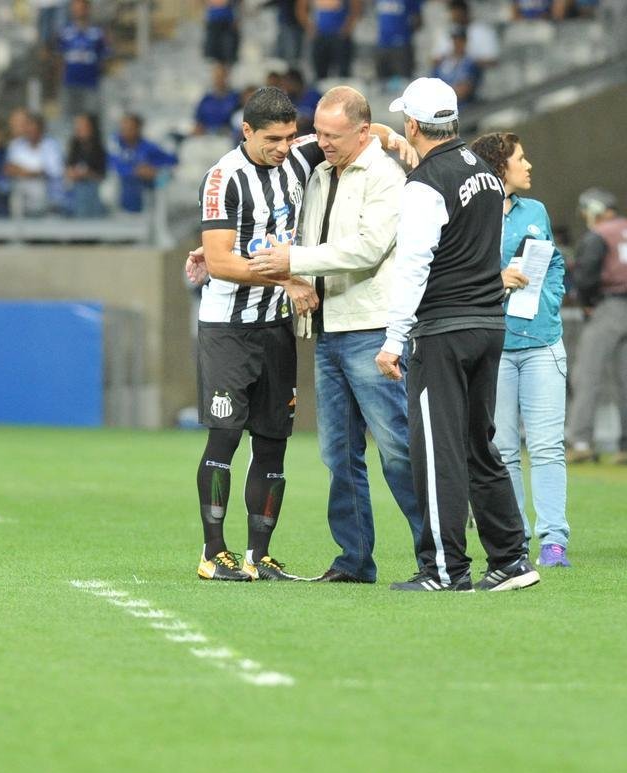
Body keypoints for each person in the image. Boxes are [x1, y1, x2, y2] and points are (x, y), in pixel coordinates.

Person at [184, 86, 414, 583]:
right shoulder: (223, 177)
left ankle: (258, 555)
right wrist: (287, 277)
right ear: (247, 131)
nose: (285, 147)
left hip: (278, 328)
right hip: (228, 329)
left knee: (273, 442)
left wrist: (393, 134)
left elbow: (354, 131)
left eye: (291, 137)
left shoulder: (299, 155)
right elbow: (221, 261)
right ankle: (213, 551)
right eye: (273, 139)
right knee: (224, 437)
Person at [377, 77, 540, 592]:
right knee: (477, 445)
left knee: (438, 451)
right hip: (489, 324)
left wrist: (393, 337)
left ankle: (444, 569)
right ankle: (511, 558)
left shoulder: (427, 182)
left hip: (443, 330)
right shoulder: (486, 174)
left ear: (412, 125)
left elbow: (414, 262)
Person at [470, 131, 572, 567]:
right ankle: (515, 539)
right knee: (504, 450)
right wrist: (498, 279)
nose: (528, 165)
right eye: (520, 159)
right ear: (499, 167)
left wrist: (548, 301)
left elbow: (554, 263)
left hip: (542, 341)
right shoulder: (472, 211)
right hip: (494, 344)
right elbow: (459, 268)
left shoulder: (536, 211)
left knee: (548, 446)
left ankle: (554, 539)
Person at [566, 188, 627, 464]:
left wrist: (587, 303)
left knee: (587, 377)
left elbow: (585, 275)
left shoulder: (599, 234)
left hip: (607, 307)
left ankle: (581, 441)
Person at [108, 114, 177, 214]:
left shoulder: (148, 147)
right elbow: (112, 165)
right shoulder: (115, 145)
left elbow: (171, 161)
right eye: (123, 128)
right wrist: (134, 170)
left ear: (138, 128)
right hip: (121, 193)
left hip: (147, 195)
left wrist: (155, 170)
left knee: (163, 179)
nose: (125, 132)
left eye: (130, 128)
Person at [55, 0, 107, 124]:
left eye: (82, 8)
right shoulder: (65, 32)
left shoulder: (97, 32)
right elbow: (59, 58)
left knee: (91, 120)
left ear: (88, 9)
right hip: (70, 83)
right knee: (68, 121)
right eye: (76, 8)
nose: (79, 11)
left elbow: (104, 57)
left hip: (90, 84)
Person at [5, 111, 65, 217]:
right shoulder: (16, 145)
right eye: (29, 129)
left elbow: (52, 171)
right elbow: (9, 169)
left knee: (39, 189)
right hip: (20, 189)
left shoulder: (51, 145)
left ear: (41, 130)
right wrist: (32, 172)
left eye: (34, 129)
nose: (31, 132)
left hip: (45, 189)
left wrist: (23, 171)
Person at [300, 0, 361, 81]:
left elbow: (356, 8)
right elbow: (300, 8)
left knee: (343, 74)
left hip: (340, 38)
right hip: (320, 37)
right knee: (319, 73)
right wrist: (310, 27)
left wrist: (347, 28)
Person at [64, 112, 107, 218]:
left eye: (83, 126)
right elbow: (68, 169)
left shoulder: (99, 149)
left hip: (94, 194)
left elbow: (102, 174)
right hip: (76, 194)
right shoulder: (74, 147)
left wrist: (87, 174)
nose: (79, 129)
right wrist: (73, 173)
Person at [375, 0, 421, 87]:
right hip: (382, 43)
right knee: (381, 82)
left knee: (403, 82)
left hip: (401, 44)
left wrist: (406, 33)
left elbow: (418, 19)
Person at [432, 27, 480, 107]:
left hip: (464, 109)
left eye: (460, 40)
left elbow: (463, 91)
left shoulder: (470, 63)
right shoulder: (442, 62)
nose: (457, 43)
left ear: (465, 42)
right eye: (454, 40)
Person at [193, 62, 240, 137]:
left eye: (221, 76)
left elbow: (239, 119)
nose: (219, 80)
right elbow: (198, 122)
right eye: (216, 76)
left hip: (228, 137)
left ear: (227, 77)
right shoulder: (206, 100)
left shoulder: (235, 98)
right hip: (207, 137)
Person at [203, 0, 240, 66]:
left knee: (228, 54)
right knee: (215, 57)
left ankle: (224, 70)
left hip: (228, 23)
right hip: (214, 23)